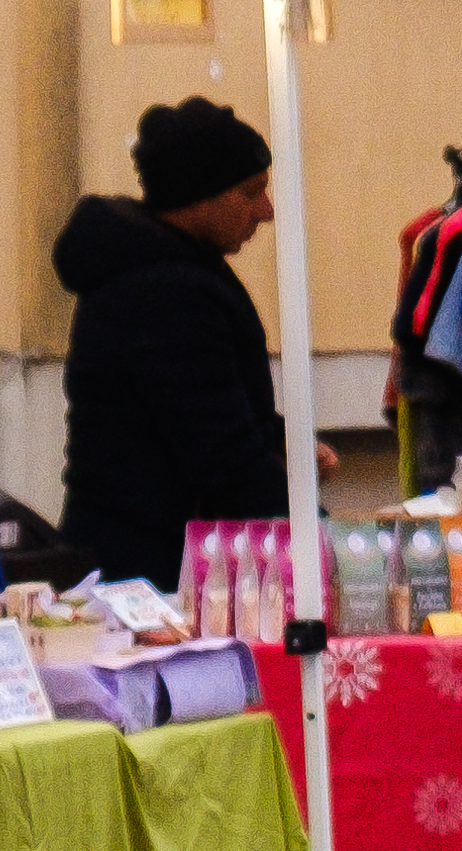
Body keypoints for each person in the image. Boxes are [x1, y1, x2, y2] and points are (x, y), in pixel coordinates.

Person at [46, 92, 284, 585]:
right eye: (250, 192)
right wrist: (315, 535)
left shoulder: (170, 269)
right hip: (150, 575)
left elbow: (207, 409)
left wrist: (281, 442)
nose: (266, 210)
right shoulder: (165, 292)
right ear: (198, 197)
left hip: (144, 559)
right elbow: (219, 452)